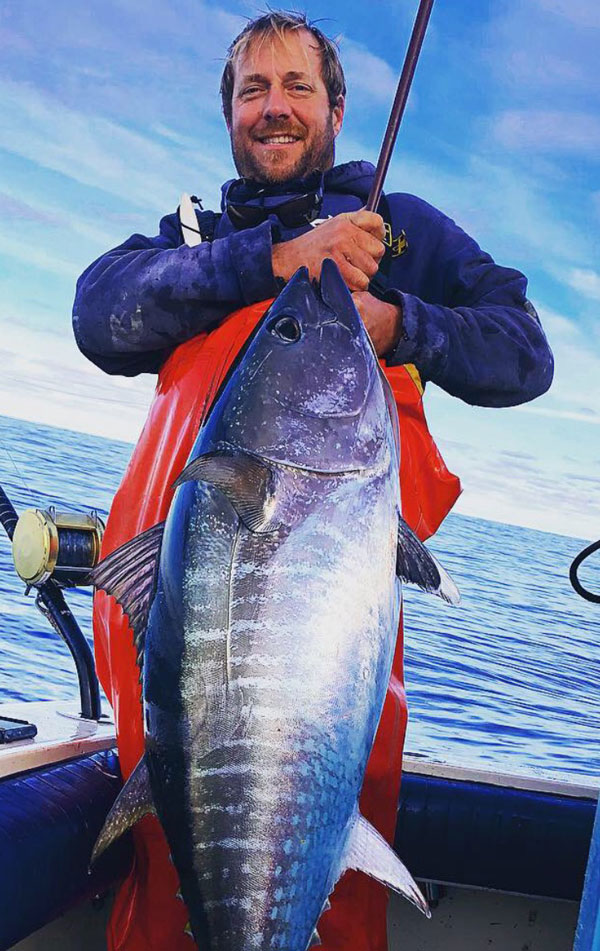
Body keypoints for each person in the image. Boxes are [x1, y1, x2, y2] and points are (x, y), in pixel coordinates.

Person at [73, 11, 554, 951]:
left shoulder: (400, 230)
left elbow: (525, 352)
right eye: (253, 89)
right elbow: (100, 313)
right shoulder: (195, 238)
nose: (275, 107)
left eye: (298, 86)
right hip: (172, 670)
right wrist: (277, 261)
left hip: (320, 668)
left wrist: (400, 324)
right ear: (229, 115)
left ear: (337, 109)